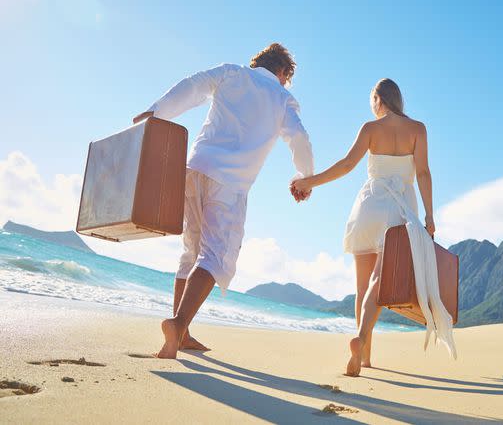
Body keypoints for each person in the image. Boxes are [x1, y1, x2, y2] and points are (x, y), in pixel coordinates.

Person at [133, 43, 314, 359]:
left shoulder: (232, 72)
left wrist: (157, 111)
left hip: (195, 169)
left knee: (191, 251)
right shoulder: (282, 98)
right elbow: (299, 138)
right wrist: (305, 177)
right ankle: (178, 325)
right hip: (229, 185)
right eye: (288, 76)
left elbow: (194, 85)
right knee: (214, 255)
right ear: (284, 71)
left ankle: (181, 334)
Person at [292, 78, 455, 377]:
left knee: (361, 284)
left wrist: (308, 182)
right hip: (399, 210)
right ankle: (362, 338)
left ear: (379, 99)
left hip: (368, 206)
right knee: (378, 283)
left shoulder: (370, 128)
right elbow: (423, 173)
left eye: (372, 101)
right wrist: (430, 216)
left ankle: (364, 357)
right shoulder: (418, 129)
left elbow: (345, 165)